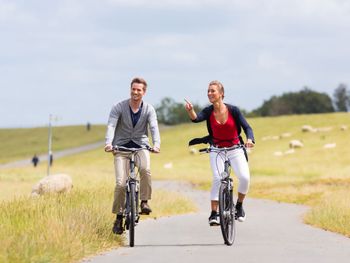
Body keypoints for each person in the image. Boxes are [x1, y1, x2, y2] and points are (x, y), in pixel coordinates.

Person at [185, 80, 255, 225]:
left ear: (221, 94)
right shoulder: (208, 111)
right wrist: (190, 110)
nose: (209, 93)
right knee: (217, 178)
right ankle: (214, 214)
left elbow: (248, 127)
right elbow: (196, 118)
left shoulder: (233, 110)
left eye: (213, 91)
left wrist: (250, 139)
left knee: (245, 178)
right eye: (208, 91)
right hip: (217, 149)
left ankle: (239, 206)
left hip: (235, 149)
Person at [104, 77, 161, 235]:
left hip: (140, 146)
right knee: (121, 183)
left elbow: (154, 127)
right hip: (120, 148)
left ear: (144, 92)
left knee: (145, 169)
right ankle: (118, 217)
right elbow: (111, 125)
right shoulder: (119, 107)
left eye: (139, 90)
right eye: (133, 89)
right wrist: (109, 142)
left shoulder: (149, 109)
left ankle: (144, 202)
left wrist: (156, 144)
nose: (135, 92)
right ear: (130, 89)